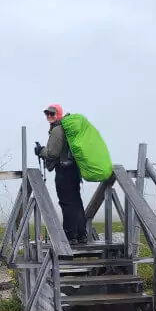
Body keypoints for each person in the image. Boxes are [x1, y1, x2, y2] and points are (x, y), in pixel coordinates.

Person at [34, 103, 87, 244]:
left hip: (64, 170)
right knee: (76, 201)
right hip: (74, 169)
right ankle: (82, 234)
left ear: (59, 114)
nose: (49, 116)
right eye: (47, 114)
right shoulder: (66, 128)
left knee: (66, 202)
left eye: (52, 113)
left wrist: (40, 151)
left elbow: (52, 154)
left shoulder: (57, 129)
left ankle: (70, 236)